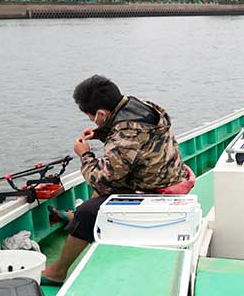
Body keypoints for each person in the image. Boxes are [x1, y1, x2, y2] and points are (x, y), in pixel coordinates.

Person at [41, 75, 192, 285]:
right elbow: (135, 140)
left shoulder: (127, 132)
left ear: (101, 113)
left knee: (89, 211)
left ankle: (56, 272)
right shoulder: (138, 105)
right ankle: (74, 219)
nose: (91, 120)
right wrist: (100, 132)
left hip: (156, 191)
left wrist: (85, 154)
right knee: (106, 188)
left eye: (92, 117)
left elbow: (101, 180)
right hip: (169, 176)